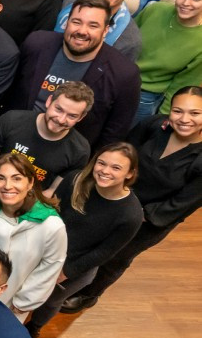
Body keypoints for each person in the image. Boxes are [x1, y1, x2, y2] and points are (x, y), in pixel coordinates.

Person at [64, 89, 202, 310]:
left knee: (115, 258)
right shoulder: (155, 126)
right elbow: (124, 153)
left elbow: (182, 204)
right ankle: (70, 279)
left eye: (195, 113)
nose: (185, 119)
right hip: (112, 197)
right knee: (92, 243)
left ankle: (89, 294)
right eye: (178, 111)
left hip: (148, 219)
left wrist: (133, 214)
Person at [25, 143, 143, 335]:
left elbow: (104, 252)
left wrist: (66, 272)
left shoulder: (131, 214)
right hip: (45, 248)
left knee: (51, 300)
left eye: (116, 167)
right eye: (101, 163)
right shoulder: (74, 180)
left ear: (130, 174)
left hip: (77, 265)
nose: (105, 171)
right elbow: (51, 211)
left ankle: (34, 328)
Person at [8, 0, 141, 147]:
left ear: (105, 31)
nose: (82, 31)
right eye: (76, 22)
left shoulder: (124, 74)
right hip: (16, 137)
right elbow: (9, 92)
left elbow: (114, 133)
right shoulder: (36, 44)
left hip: (66, 156)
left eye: (93, 26)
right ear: (66, 23)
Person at [0, 152, 67, 320]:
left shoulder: (51, 225)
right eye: (0, 178)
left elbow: (50, 266)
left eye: (17, 178)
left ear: (30, 183)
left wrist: (24, 302)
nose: (7, 186)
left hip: (9, 304)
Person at [0, 82, 94, 194]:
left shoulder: (80, 150)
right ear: (49, 101)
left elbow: (52, 192)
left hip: (32, 204)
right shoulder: (11, 120)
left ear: (81, 117)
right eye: (58, 109)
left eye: (72, 116)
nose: (61, 119)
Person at [134, 0, 202, 118]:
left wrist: (164, 117)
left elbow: (182, 86)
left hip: (145, 96)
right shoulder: (156, 10)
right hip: (117, 79)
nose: (186, 3)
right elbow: (127, 41)